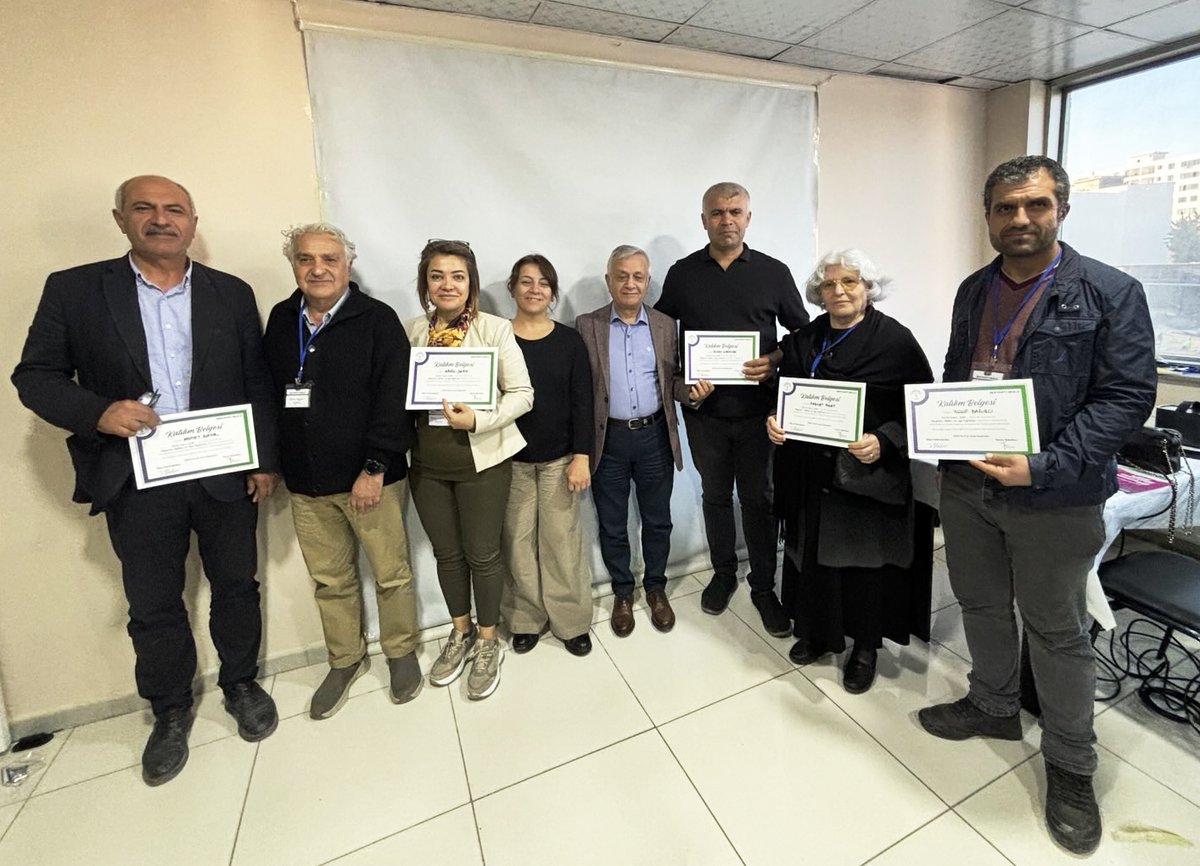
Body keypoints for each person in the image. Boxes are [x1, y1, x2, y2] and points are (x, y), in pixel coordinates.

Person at [918, 155, 1156, 856]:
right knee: (982, 605)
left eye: (1035, 206)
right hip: (970, 485)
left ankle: (1071, 764)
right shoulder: (973, 289)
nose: (1020, 219)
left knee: (1056, 630)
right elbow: (960, 370)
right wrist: (945, 431)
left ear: (1061, 209)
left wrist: (1043, 466)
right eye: (1005, 208)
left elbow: (1124, 400)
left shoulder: (1111, 292)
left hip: (1055, 493)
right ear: (987, 215)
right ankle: (993, 706)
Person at [12, 175, 280, 786]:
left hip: (221, 470)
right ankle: (169, 709)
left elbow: (256, 382)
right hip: (135, 476)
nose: (161, 219)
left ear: (192, 221)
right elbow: (36, 376)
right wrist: (98, 412)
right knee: (154, 603)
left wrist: (263, 459)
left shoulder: (231, 293)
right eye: (145, 209)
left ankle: (241, 684)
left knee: (237, 585)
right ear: (121, 219)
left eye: (175, 210)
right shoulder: (76, 290)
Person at [263, 223, 421, 718]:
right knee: (330, 580)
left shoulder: (377, 319)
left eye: (329, 259)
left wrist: (374, 468)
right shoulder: (281, 318)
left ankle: (400, 652)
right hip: (308, 484)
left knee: (390, 574)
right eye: (306, 259)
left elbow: (396, 400)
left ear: (347, 265)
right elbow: (270, 396)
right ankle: (344, 659)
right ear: (294, 266)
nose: (318, 268)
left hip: (371, 480)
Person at [766, 250, 933, 694]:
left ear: (868, 289)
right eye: (829, 284)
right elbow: (785, 394)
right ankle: (819, 634)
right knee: (813, 555)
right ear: (818, 293)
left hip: (864, 475)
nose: (839, 291)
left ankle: (864, 647)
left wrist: (885, 440)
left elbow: (922, 408)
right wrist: (774, 419)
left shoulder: (895, 342)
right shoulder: (805, 339)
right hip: (809, 472)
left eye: (851, 282)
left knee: (863, 564)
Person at [657, 182, 808, 637]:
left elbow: (803, 334)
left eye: (735, 211)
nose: (727, 220)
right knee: (716, 496)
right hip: (705, 413)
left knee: (759, 499)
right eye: (717, 212)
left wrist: (775, 361)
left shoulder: (773, 272)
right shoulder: (683, 274)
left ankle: (764, 587)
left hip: (761, 412)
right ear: (703, 220)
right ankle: (724, 573)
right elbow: (662, 337)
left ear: (748, 217)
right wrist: (684, 386)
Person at [404, 240, 533, 700]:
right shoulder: (412, 331)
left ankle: (486, 640)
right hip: (426, 466)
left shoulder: (495, 330)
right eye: (437, 276)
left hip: (482, 462)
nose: (447, 285)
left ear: (470, 283)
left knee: (483, 555)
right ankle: (459, 632)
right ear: (426, 283)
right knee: (447, 555)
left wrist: (478, 418)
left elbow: (522, 393)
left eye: (457, 276)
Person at [576, 245, 712, 637]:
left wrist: (692, 392)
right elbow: (580, 390)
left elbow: (672, 382)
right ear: (609, 281)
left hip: (654, 437)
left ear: (648, 281)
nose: (630, 283)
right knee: (613, 524)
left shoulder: (667, 324)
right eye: (622, 275)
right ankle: (622, 591)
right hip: (609, 441)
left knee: (657, 521)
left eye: (638, 276)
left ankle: (655, 588)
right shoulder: (587, 326)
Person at [501, 254, 596, 657]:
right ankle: (525, 619)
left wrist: (582, 456)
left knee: (562, 543)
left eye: (543, 283)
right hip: (510, 460)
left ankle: (571, 622)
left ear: (552, 292)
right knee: (517, 543)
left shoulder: (569, 340)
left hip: (560, 460)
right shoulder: (496, 336)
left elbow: (582, 402)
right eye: (526, 281)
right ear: (513, 288)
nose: (534, 289)